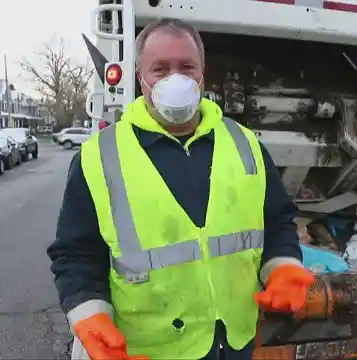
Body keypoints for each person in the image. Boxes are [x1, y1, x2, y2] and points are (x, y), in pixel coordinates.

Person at [47, 18, 315, 360]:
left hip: (233, 344)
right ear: (139, 76)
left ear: (203, 72)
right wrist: (90, 316)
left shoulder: (244, 143)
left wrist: (283, 267)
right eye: (160, 69)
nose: (175, 78)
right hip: (147, 351)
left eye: (187, 66)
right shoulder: (98, 157)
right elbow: (76, 253)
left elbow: (276, 221)